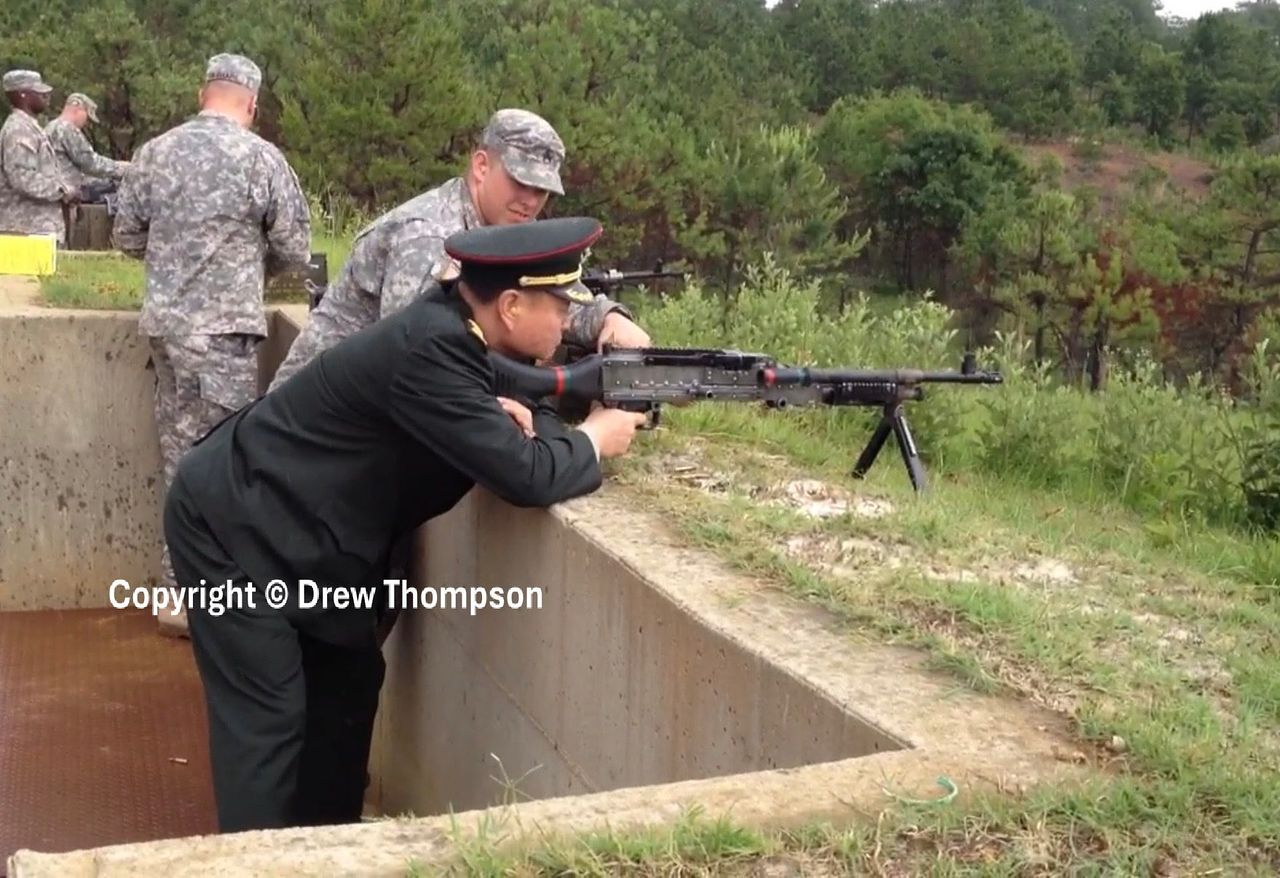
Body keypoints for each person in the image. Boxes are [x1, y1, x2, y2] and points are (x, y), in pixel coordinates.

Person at [164, 216, 646, 832]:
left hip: (311, 537)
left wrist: (549, 419)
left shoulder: (460, 333)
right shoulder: (435, 349)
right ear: (511, 304)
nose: (566, 321)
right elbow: (528, 475)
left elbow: (524, 414)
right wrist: (596, 438)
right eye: (559, 306)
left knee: (346, 689)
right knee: (270, 721)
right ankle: (252, 859)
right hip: (232, 526)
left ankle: (328, 851)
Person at [113, 52, 311, 636]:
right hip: (223, 336)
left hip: (166, 332)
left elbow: (126, 236)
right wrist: (250, 264)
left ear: (205, 93)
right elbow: (296, 248)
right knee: (221, 465)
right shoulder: (261, 158)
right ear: (251, 103)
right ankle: (209, 600)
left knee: (178, 461)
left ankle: (178, 592)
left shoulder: (155, 152)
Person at [268, 107, 649, 392]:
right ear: (481, 166)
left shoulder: (510, 230)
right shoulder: (427, 236)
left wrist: (610, 318)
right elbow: (419, 356)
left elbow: (553, 297)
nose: (531, 201)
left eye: (542, 190)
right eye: (520, 182)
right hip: (317, 414)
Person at [0, 69, 79, 240]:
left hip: (36, 231)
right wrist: (64, 190)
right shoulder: (19, 130)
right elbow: (23, 178)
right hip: (25, 231)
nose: (46, 96)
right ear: (22, 94)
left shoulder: (30, 127)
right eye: (39, 92)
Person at [44, 92, 129, 201]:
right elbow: (90, 163)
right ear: (78, 110)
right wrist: (122, 168)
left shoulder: (50, 127)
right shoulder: (67, 129)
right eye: (87, 117)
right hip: (69, 191)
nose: (87, 123)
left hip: (56, 187)